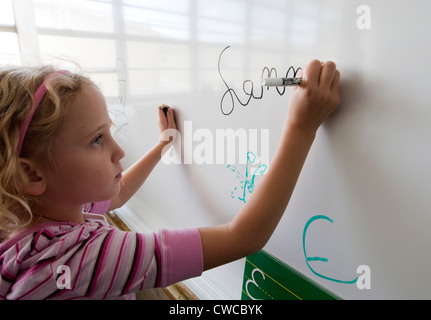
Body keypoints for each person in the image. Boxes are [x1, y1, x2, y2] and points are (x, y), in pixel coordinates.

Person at [0, 60, 339, 299]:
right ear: (32, 173)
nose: (118, 151)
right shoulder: (80, 259)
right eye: (96, 140)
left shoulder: (39, 214)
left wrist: (165, 143)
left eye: (110, 131)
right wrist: (302, 126)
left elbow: (115, 197)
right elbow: (244, 237)